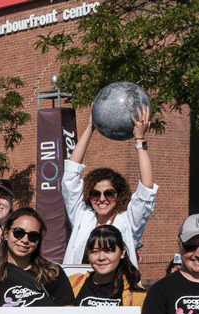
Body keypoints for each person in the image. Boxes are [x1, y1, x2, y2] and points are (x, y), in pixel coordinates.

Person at [61, 107, 157, 265]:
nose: (102, 199)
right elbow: (70, 175)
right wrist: (90, 128)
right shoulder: (81, 215)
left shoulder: (128, 221)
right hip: (78, 288)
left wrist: (140, 140)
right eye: (96, 194)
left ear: (118, 195)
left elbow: (146, 188)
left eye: (109, 194)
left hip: (116, 289)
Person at [0, 207, 74, 307]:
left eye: (33, 236)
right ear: (6, 234)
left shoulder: (53, 274)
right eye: (18, 232)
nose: (25, 240)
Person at [67, 225, 147, 308]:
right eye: (95, 251)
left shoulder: (137, 294)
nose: (101, 258)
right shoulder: (72, 283)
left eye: (108, 251)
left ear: (122, 253)